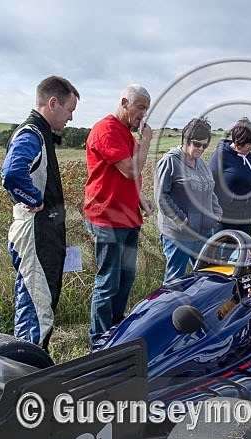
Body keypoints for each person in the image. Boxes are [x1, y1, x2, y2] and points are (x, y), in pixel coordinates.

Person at [0, 75, 79, 350]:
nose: (70, 118)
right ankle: (27, 375)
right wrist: (33, 198)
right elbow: (11, 173)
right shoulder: (32, 133)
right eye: (69, 110)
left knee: (41, 302)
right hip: (34, 231)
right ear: (53, 103)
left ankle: (31, 369)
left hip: (44, 233)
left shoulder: (42, 134)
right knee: (36, 309)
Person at [84, 84, 155, 345]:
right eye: (139, 108)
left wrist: (140, 199)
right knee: (108, 282)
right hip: (107, 218)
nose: (143, 115)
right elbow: (129, 170)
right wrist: (145, 142)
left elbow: (125, 180)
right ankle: (99, 341)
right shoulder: (106, 130)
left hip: (128, 217)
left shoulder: (126, 133)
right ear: (124, 102)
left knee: (126, 278)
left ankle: (115, 331)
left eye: (146, 109)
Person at [154, 117, 222, 283]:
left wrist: (217, 213)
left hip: (203, 233)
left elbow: (210, 190)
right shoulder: (169, 161)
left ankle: (197, 308)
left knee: (208, 277)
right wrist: (182, 219)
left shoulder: (202, 164)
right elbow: (161, 197)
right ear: (185, 140)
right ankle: (169, 309)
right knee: (174, 280)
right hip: (179, 235)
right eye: (197, 144)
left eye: (205, 145)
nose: (201, 149)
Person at [209, 118, 251, 237]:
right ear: (238, 141)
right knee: (223, 253)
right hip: (225, 217)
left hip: (247, 216)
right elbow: (210, 185)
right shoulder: (220, 156)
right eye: (248, 144)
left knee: (244, 251)